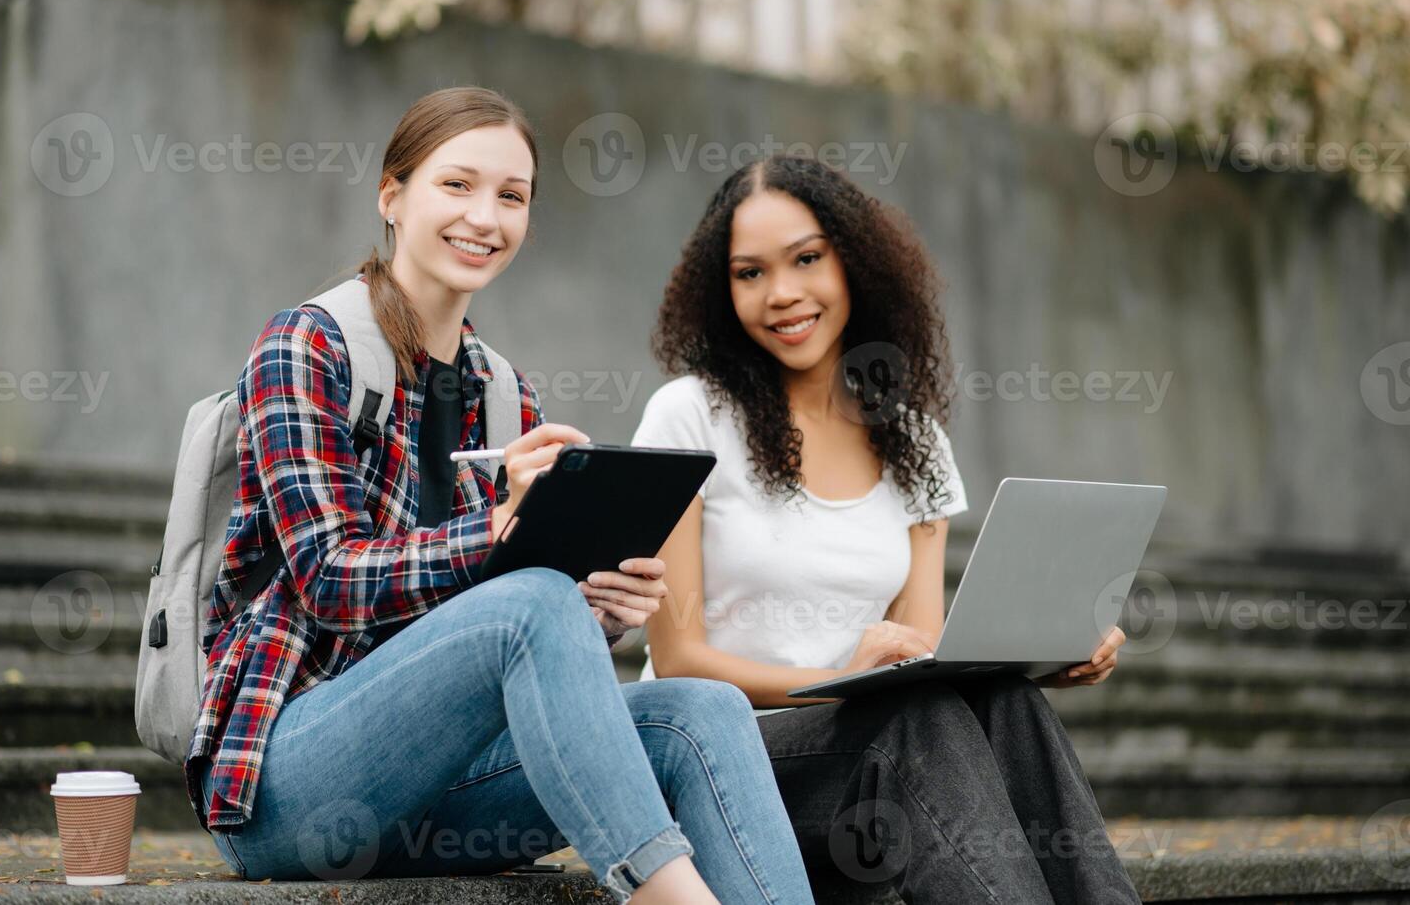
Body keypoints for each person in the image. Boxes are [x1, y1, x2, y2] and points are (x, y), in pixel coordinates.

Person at [183, 87, 816, 905]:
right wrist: (505, 536)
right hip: (289, 782)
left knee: (704, 712)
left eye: (511, 197)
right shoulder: (305, 345)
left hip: (443, 789)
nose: (485, 216)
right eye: (457, 185)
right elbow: (329, 579)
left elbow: (506, 621)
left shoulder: (505, 393)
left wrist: (602, 603)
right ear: (392, 196)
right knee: (530, 604)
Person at [632, 154, 1140, 904]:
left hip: (872, 756)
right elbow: (678, 661)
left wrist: (1045, 657)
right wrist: (845, 684)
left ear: (854, 263)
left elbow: (922, 648)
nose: (783, 294)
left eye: (807, 259)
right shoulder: (689, 416)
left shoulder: (915, 440)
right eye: (750, 273)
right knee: (909, 726)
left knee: (1007, 705)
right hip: (720, 760)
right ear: (720, 289)